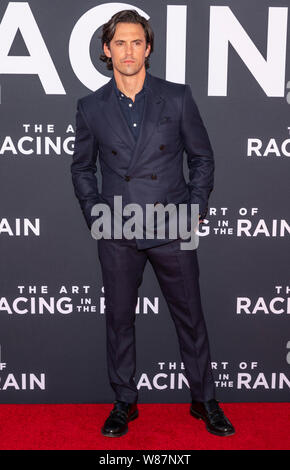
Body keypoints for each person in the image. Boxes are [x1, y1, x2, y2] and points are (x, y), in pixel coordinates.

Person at [71, 9, 235, 438]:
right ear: (107, 50)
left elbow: (202, 157)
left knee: (191, 318)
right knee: (120, 319)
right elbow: (81, 168)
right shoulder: (90, 107)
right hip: (118, 228)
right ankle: (125, 401)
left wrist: (195, 208)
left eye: (136, 42)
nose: (129, 50)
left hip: (171, 224)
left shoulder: (177, 97)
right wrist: (95, 212)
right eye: (120, 43)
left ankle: (204, 400)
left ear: (148, 48)